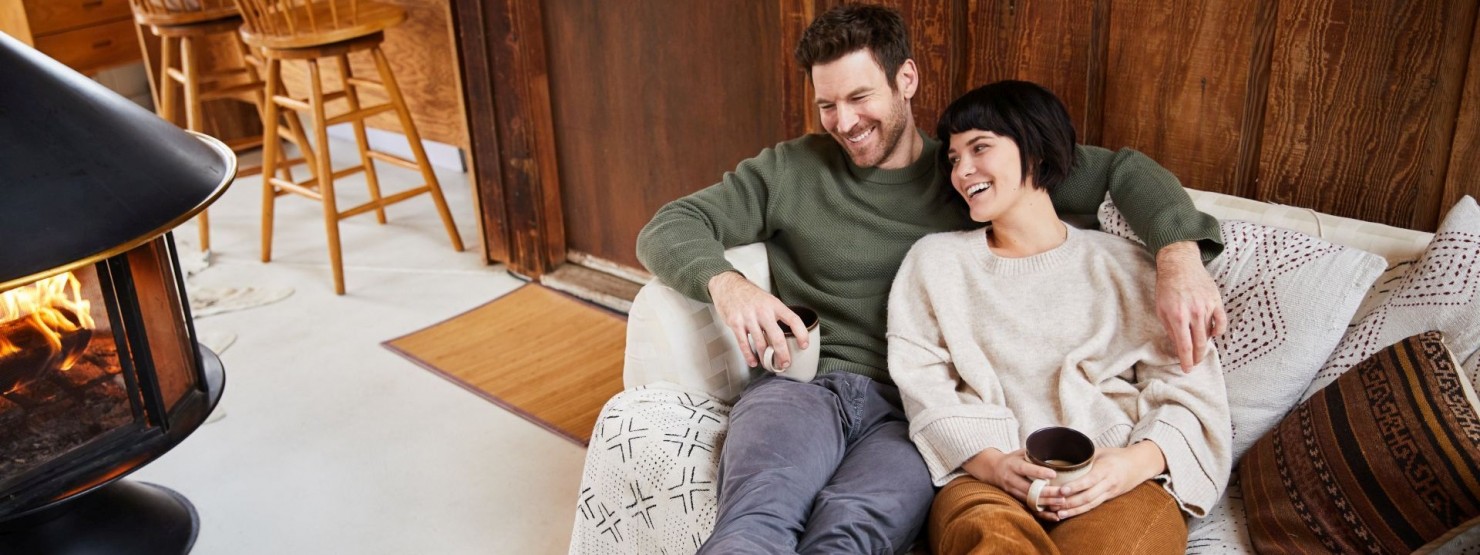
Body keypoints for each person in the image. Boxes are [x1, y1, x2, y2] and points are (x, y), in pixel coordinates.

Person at [632, 4, 1225, 553]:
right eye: (826, 105)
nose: (844, 122)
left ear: (906, 79)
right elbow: (669, 225)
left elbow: (1122, 171)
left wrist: (1177, 253)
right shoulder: (791, 169)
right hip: (804, 388)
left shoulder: (972, 175)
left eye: (860, 97)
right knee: (758, 517)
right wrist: (728, 284)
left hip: (906, 419)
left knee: (853, 533)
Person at [886, 80, 1233, 555]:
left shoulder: (1126, 265)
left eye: (980, 147)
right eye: (953, 158)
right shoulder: (935, 263)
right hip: (988, 479)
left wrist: (1129, 466)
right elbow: (921, 381)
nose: (963, 170)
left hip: (1117, 480)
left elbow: (1191, 390)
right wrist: (992, 464)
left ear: (1036, 149)